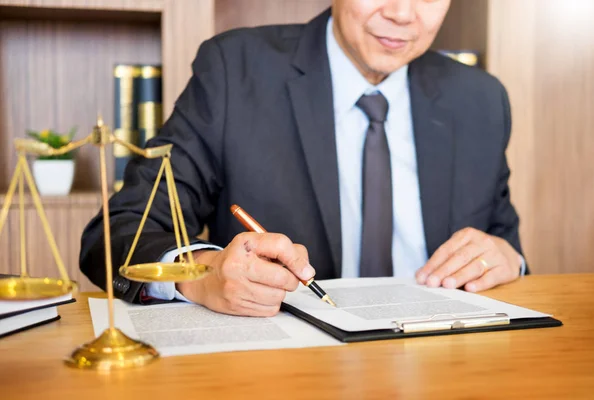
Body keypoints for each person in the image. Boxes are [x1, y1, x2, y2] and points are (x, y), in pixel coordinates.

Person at [80, 0, 526, 317]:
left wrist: (508, 257)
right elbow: (120, 229)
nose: (403, 13)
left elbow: (502, 245)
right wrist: (201, 274)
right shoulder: (235, 70)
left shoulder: (481, 100)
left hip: (448, 367)